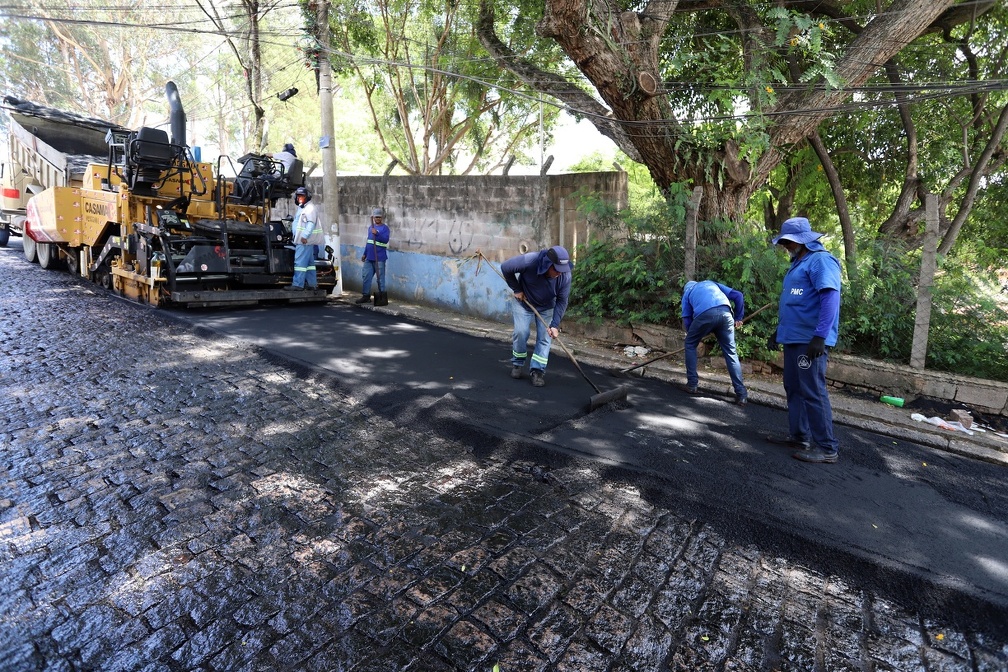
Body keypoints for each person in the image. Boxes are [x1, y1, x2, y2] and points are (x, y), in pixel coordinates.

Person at [766, 216, 843, 464]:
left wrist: (820, 336)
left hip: (810, 340)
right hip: (793, 337)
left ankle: (827, 447)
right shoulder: (798, 262)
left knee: (812, 391)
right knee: (793, 386)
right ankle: (800, 436)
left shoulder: (820, 261)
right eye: (784, 242)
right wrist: (778, 332)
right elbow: (795, 303)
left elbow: (830, 298)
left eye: (788, 241)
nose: (785, 245)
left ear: (803, 240)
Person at [500, 245, 572, 387]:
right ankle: (517, 363)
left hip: (547, 307)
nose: (559, 273)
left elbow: (562, 300)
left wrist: (555, 325)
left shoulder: (565, 275)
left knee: (545, 338)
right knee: (521, 332)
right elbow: (505, 267)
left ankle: (538, 371)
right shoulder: (529, 261)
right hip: (524, 302)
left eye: (562, 270)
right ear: (547, 264)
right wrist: (517, 289)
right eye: (556, 269)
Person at [680, 279, 748, 405]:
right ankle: (742, 394)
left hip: (704, 316)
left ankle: (692, 385)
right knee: (731, 353)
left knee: (690, 344)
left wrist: (694, 335)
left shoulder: (688, 293)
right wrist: (738, 317)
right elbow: (738, 295)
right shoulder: (711, 284)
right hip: (726, 314)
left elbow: (687, 319)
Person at [284, 186, 323, 291]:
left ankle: (297, 284)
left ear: (307, 197)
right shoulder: (303, 207)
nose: (300, 198)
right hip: (304, 241)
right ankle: (312, 284)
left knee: (299, 263)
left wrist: (304, 236)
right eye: (298, 196)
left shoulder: (309, 208)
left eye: (302, 196)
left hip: (303, 241)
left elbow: (311, 223)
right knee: (310, 264)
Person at [356, 207, 391, 305]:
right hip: (369, 257)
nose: (378, 219)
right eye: (376, 217)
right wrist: (364, 254)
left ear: (382, 218)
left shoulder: (385, 228)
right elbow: (369, 242)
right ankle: (365, 296)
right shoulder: (370, 228)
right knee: (366, 276)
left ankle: (382, 296)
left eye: (379, 217)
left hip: (379, 258)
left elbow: (385, 240)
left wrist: (377, 234)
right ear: (373, 218)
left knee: (380, 278)